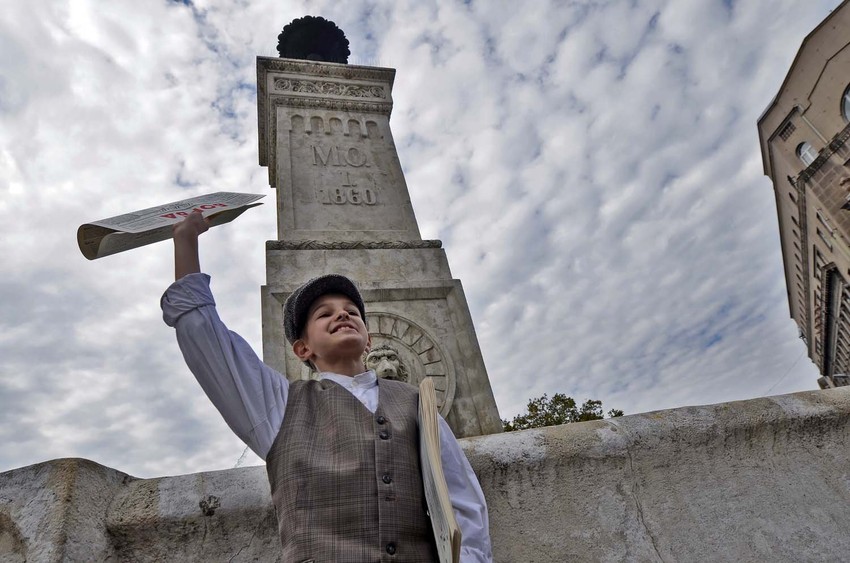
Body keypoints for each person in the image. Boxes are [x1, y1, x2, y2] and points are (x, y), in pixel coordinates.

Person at [161, 210, 493, 562]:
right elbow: (206, 338)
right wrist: (186, 240)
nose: (343, 314)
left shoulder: (416, 402)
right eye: (324, 313)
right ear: (303, 348)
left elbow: (463, 500)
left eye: (352, 310)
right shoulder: (277, 405)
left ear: (368, 340)